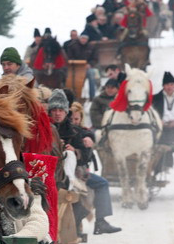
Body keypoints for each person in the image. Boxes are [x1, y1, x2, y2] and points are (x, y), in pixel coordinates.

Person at [47, 89, 121, 235]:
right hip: (49, 173)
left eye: (60, 110)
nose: (57, 113)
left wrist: (75, 151)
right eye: (54, 110)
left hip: (75, 174)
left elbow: (86, 156)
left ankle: (99, 221)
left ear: (66, 111)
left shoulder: (75, 131)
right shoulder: (45, 129)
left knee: (98, 185)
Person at [65, 33, 99, 99]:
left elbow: (95, 59)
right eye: (82, 38)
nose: (84, 40)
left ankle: (92, 97)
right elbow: (69, 57)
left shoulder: (91, 47)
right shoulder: (73, 46)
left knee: (92, 74)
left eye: (85, 39)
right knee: (69, 78)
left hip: (87, 68)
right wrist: (74, 63)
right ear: (79, 38)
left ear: (87, 40)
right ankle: (73, 95)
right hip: (75, 68)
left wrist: (90, 64)